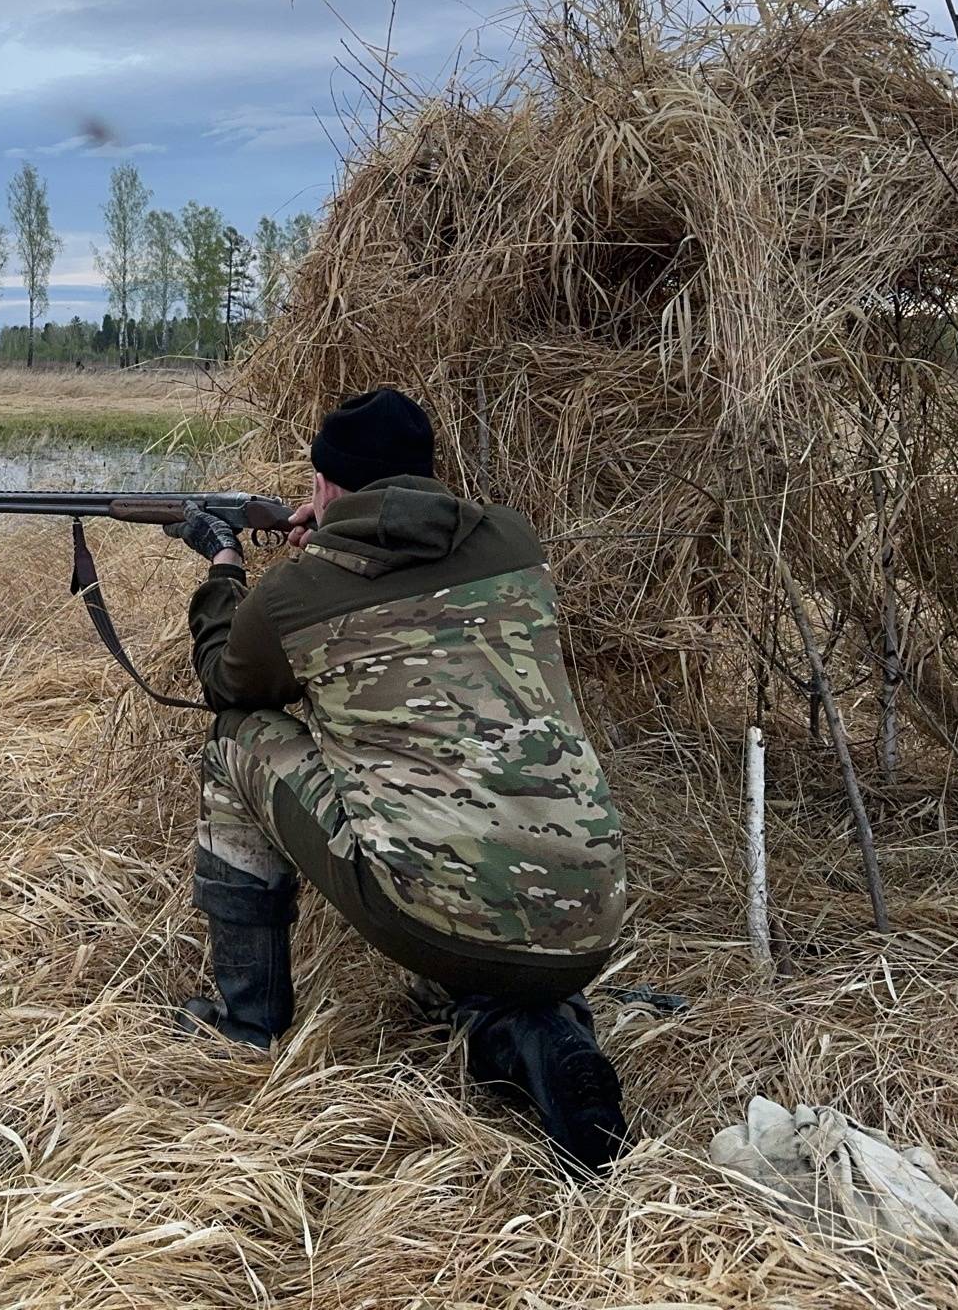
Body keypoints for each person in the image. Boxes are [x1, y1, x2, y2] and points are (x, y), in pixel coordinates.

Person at [165, 386, 631, 1172]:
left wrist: (224, 566)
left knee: (238, 740)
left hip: (432, 917)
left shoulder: (296, 594)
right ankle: (537, 1035)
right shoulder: (515, 541)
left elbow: (228, 682)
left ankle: (246, 1025)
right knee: (483, 896)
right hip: (587, 919)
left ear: (324, 485)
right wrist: (333, 534)